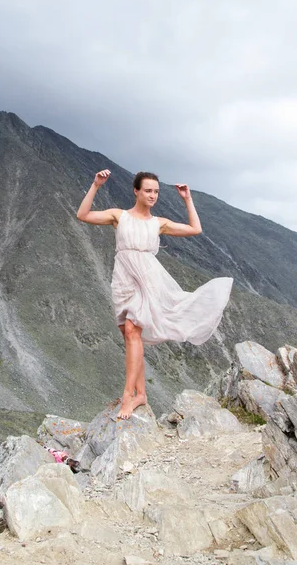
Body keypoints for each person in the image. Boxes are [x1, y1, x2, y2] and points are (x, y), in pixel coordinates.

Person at [77, 170, 233, 420]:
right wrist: (96, 185)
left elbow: (195, 229)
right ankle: (141, 394)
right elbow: (82, 215)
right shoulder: (120, 216)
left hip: (148, 280)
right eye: (148, 190)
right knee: (129, 337)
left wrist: (187, 199)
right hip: (123, 280)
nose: (153, 195)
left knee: (132, 330)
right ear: (136, 191)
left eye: (156, 191)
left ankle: (128, 396)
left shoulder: (158, 223)